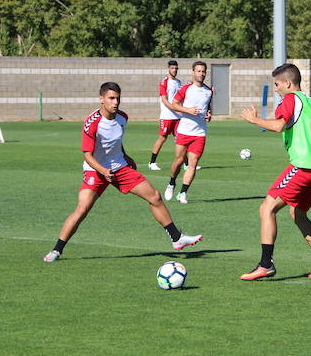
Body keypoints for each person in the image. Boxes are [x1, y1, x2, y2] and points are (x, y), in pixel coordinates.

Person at [43, 82, 201, 262]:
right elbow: (87, 155)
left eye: (118, 98)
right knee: (82, 209)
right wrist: (102, 170)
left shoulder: (123, 117)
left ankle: (176, 238)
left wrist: (126, 156)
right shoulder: (92, 123)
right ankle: (56, 250)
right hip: (96, 169)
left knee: (155, 197)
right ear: (101, 99)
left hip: (119, 167)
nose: (115, 102)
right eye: (111, 98)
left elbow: (115, 141)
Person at [239, 63, 311, 280]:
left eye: (277, 84)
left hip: (303, 166)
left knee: (266, 209)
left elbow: (279, 125)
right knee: (297, 213)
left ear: (288, 83)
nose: (276, 89)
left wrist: (254, 120)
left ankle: (265, 264)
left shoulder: (289, 99)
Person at [163, 61, 213, 204]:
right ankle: (172, 182)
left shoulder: (208, 91)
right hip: (184, 131)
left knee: (193, 163)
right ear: (193, 72)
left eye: (203, 71)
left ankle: (183, 192)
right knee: (178, 161)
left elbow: (207, 110)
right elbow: (174, 104)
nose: (201, 74)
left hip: (200, 133)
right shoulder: (185, 89)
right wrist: (188, 110)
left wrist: (209, 116)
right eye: (198, 71)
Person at [148, 60, 183, 171]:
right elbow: (164, 99)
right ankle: (152, 162)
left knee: (181, 139)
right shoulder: (164, 82)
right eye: (173, 68)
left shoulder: (178, 82)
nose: (175, 70)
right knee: (162, 138)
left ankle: (186, 164)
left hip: (177, 117)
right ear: (168, 68)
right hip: (167, 116)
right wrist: (174, 108)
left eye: (176, 68)